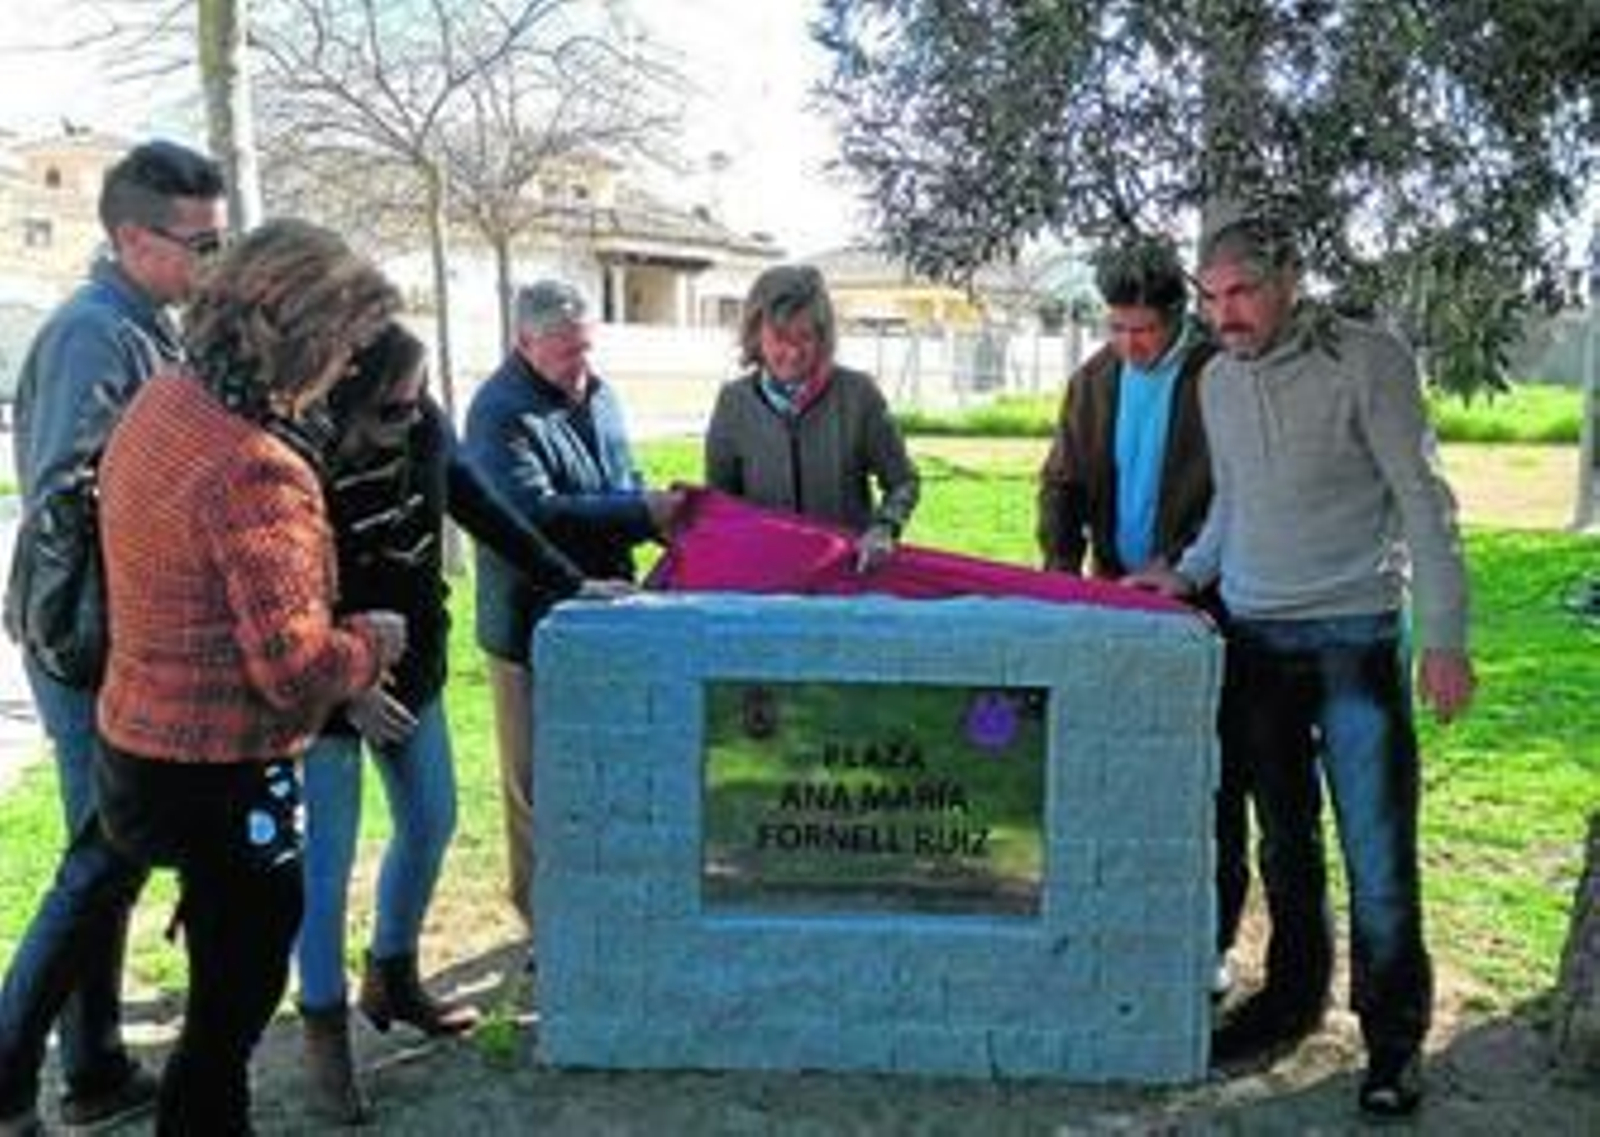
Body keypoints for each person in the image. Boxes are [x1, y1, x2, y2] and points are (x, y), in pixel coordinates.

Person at [0, 218, 408, 1135]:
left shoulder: (163, 403)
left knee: (104, 899)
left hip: (134, 741)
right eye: (344, 346)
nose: (347, 367)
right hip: (223, 774)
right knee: (229, 1011)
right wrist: (370, 641)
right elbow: (295, 668)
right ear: (300, 335)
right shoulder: (254, 465)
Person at [1131, 213, 1476, 1118]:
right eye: (1211, 298)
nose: (1224, 314)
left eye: (1240, 292)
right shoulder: (1217, 384)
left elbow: (1425, 500)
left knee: (1378, 852)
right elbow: (1232, 508)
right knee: (1285, 848)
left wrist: (1444, 637)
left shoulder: (1370, 359)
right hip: (1256, 642)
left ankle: (1393, 1043)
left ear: (1289, 279)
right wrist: (1188, 573)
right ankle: (1290, 1002)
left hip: (1356, 639)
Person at [296, 322, 629, 1122]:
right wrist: (342, 687)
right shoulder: (300, 457)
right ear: (344, 404)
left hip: (413, 669)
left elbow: (482, 505)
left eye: (420, 404)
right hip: (322, 683)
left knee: (432, 819)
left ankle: (394, 972)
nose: (411, 421)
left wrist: (568, 581)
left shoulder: (424, 423)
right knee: (326, 862)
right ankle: (324, 1033)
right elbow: (288, 592)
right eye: (392, 410)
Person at [2, 138, 226, 1131]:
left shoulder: (143, 325)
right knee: (103, 854)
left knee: (115, 852)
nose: (213, 262)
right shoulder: (97, 336)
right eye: (200, 244)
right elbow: (67, 508)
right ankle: (14, 1073)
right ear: (133, 238)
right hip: (91, 642)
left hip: (111, 636)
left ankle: (91, 1068)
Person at [1035, 236, 1244, 995]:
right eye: (1116, 328)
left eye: (1143, 330)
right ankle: (1118, 916)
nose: (1128, 344)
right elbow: (1059, 480)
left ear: (1177, 319)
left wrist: (1184, 570)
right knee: (1118, 758)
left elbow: (1237, 490)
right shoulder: (1093, 380)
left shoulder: (1217, 375)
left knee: (1213, 773)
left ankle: (1215, 938)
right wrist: (1061, 568)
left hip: (1204, 600)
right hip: (1110, 599)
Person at [463, 279, 681, 936]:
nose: (578, 367)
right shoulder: (498, 412)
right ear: (523, 343)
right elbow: (530, 516)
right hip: (530, 627)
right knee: (538, 791)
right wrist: (639, 512)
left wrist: (653, 514)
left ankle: (603, 916)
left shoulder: (602, 393)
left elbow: (622, 476)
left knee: (607, 770)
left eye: (585, 349)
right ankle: (545, 932)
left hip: (610, 619)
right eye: (563, 353)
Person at [704, 263, 919, 571]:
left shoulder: (859, 394)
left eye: (805, 337)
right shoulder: (733, 402)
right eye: (779, 337)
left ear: (823, 336)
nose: (792, 352)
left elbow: (902, 481)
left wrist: (885, 527)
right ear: (755, 334)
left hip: (846, 575)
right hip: (765, 577)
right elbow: (720, 504)